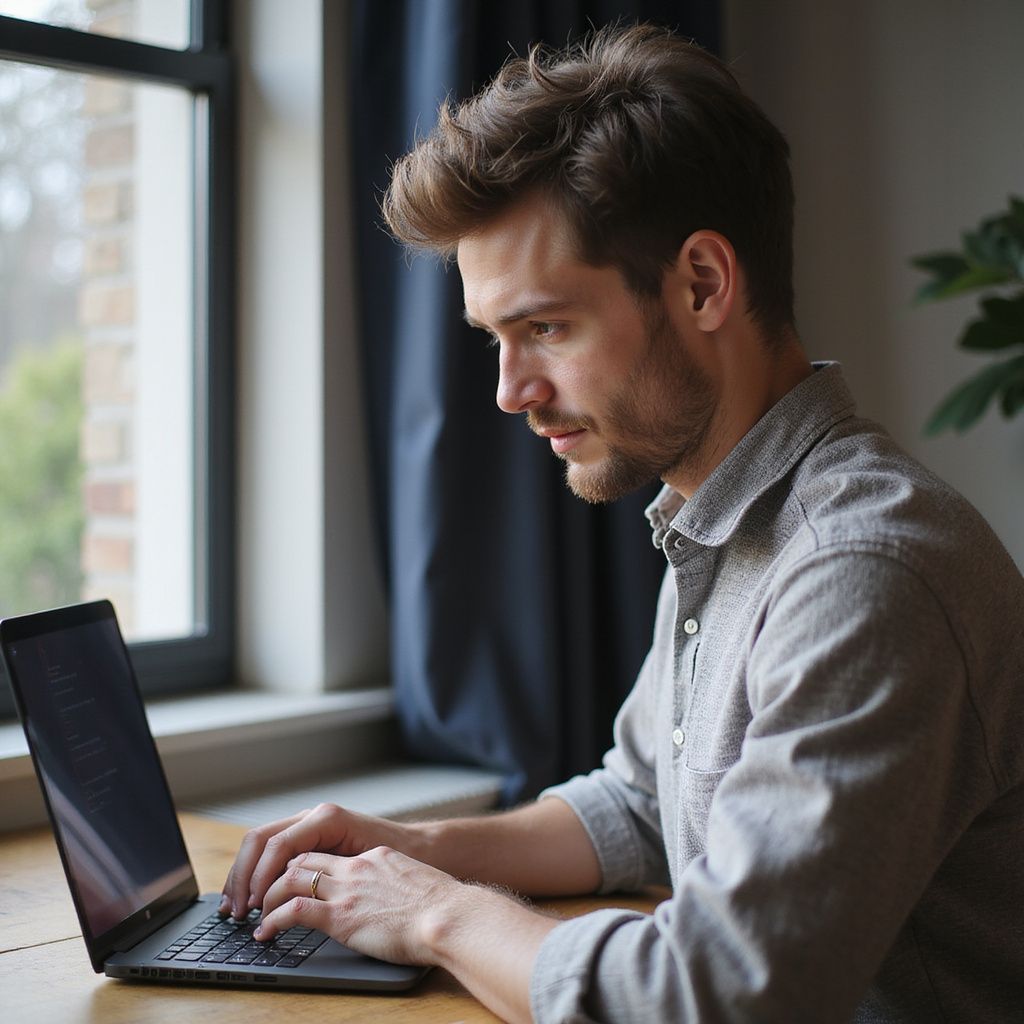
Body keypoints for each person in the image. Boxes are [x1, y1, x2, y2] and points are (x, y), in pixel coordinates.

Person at [221, 25, 1024, 1023]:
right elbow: (644, 801)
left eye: (546, 327)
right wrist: (406, 846)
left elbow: (716, 995)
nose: (511, 391)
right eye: (494, 339)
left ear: (701, 284)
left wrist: (434, 912)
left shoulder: (861, 571)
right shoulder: (721, 518)